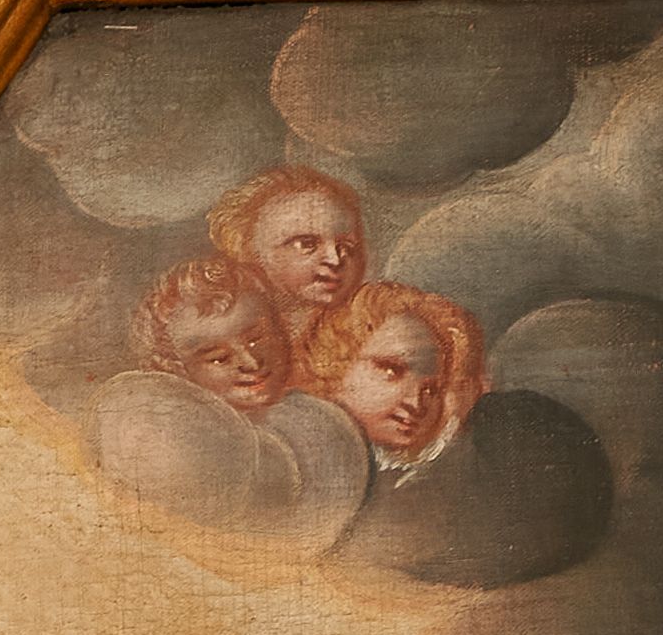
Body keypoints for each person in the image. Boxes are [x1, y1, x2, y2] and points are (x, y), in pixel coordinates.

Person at [298, 281, 484, 473]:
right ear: (337, 360)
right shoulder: (292, 449)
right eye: (392, 371)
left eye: (431, 390)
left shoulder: (417, 475)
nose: (416, 403)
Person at [207, 166, 367, 346]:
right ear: (248, 251)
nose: (335, 259)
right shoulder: (226, 343)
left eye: (345, 246)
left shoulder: (369, 335)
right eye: (307, 244)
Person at [130, 255, 293, 414]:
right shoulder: (178, 428)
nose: (252, 363)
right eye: (220, 358)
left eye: (255, 340)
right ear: (176, 370)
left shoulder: (302, 411)